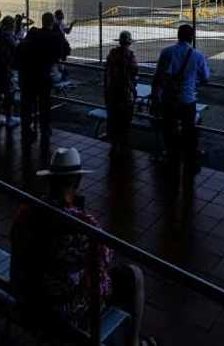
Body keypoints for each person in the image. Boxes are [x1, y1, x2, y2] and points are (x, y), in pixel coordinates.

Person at [10, 148, 147, 346]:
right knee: (134, 275)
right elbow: (104, 260)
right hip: (60, 310)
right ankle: (134, 342)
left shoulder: (26, 211)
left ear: (50, 180)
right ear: (77, 181)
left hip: (29, 296)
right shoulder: (83, 224)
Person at [151, 24, 211, 176]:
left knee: (169, 130)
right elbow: (206, 78)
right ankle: (189, 164)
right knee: (189, 132)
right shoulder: (198, 56)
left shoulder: (166, 52)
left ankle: (171, 158)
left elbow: (158, 77)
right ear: (191, 37)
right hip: (187, 100)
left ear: (178, 35)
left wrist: (155, 98)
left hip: (168, 99)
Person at [16, 12, 71, 142]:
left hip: (26, 74)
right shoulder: (54, 37)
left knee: (27, 104)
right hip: (42, 76)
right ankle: (45, 130)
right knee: (44, 104)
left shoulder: (33, 32)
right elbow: (66, 51)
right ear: (53, 23)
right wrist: (58, 32)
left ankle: (26, 130)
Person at [105, 31, 139, 158]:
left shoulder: (112, 53)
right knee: (125, 120)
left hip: (112, 90)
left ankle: (114, 145)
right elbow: (135, 71)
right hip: (125, 92)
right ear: (129, 42)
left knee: (113, 118)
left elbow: (107, 68)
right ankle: (124, 146)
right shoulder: (130, 56)